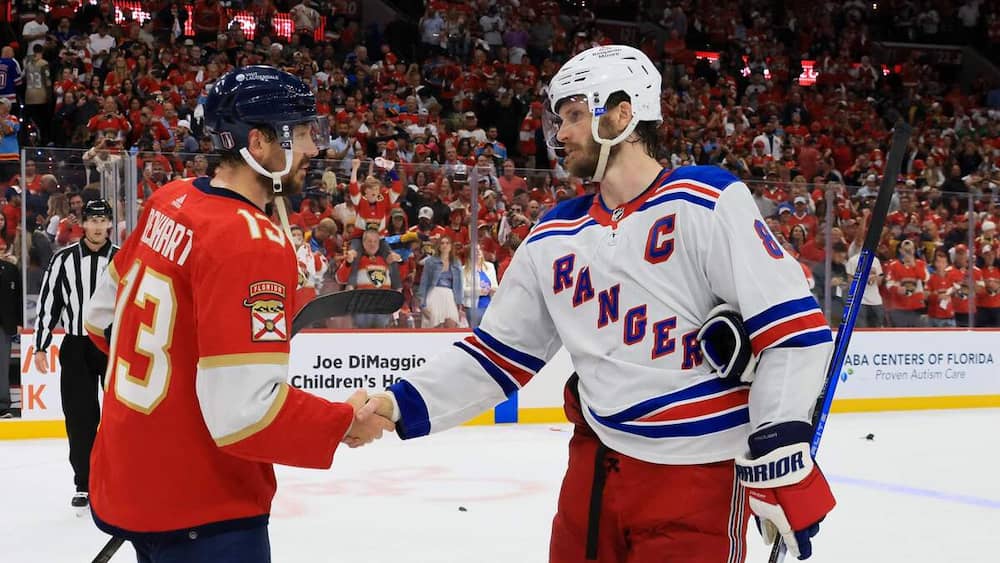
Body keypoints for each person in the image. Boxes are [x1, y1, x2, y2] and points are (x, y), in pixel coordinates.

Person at [358, 46, 835, 562]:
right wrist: (394, 404)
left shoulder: (706, 200)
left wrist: (778, 447)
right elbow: (497, 356)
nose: (560, 133)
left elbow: (793, 332)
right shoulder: (553, 233)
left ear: (623, 113)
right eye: (560, 118)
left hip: (700, 479)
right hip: (596, 471)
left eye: (575, 115)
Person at [82, 66, 393, 563]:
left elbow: (101, 322)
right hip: (205, 506)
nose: (314, 149)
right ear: (259, 141)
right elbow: (245, 416)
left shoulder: (170, 199)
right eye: (301, 134)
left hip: (132, 481)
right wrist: (342, 422)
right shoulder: (252, 242)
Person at [34, 199, 119, 509]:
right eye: (92, 220)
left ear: (110, 223)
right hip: (76, 346)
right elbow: (49, 303)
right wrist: (41, 344)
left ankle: (117, 479)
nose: (98, 226)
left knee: (118, 417)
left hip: (112, 346)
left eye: (103, 220)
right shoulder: (64, 260)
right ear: (83, 223)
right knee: (80, 418)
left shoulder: (123, 259)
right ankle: (84, 482)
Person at [417, 236, 464, 328]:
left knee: (451, 324)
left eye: (447, 243)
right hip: (434, 294)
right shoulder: (430, 262)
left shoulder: (456, 263)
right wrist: (422, 304)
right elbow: (424, 282)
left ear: (451, 246)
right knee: (436, 326)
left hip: (450, 296)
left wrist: (459, 303)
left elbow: (459, 285)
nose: (445, 245)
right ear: (438, 246)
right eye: (442, 243)